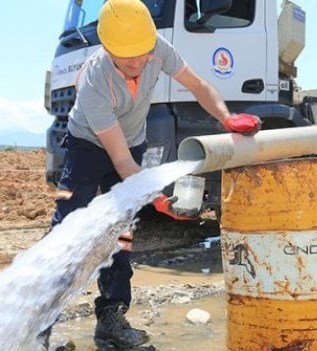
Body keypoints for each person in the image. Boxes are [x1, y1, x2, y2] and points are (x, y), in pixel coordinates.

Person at [45, 0, 260, 350]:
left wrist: (226, 118)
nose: (135, 62)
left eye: (140, 53)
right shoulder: (95, 82)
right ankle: (43, 321)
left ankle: (112, 317)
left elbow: (198, 85)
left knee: (123, 231)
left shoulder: (156, 48)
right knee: (67, 227)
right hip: (88, 146)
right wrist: (157, 196)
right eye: (124, 56)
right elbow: (121, 163)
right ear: (107, 47)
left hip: (131, 143)